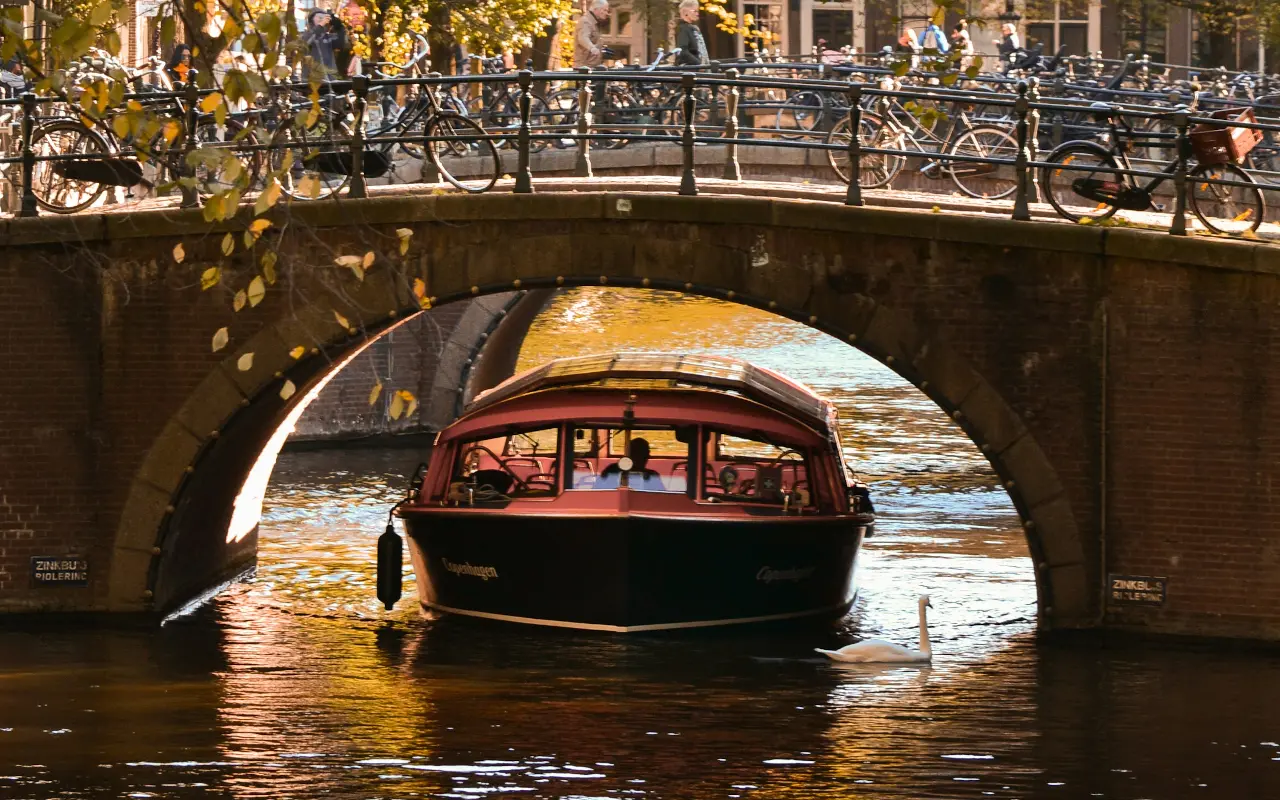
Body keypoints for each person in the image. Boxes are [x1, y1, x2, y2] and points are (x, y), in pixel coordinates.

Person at [595, 438, 666, 491]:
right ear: (628, 455)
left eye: (646, 455)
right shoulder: (612, 471)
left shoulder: (652, 476)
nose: (646, 458)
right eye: (640, 454)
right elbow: (598, 492)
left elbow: (661, 498)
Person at [301, 7, 351, 80]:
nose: (322, 19)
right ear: (312, 19)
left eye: (324, 18)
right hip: (312, 80)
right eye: (319, 17)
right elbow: (307, 42)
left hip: (330, 80)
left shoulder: (328, 36)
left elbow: (340, 45)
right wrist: (320, 25)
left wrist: (340, 28)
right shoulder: (306, 34)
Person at [574, 0, 610, 69]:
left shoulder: (595, 23)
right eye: (604, 10)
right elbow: (583, 38)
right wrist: (592, 48)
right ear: (596, 9)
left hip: (592, 67)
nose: (606, 13)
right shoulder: (585, 21)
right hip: (584, 68)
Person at [674, 0, 709, 67]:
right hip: (689, 70)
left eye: (697, 11)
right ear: (685, 12)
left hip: (697, 69)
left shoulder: (692, 28)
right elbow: (683, 51)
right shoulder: (683, 28)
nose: (697, 14)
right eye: (695, 11)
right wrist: (699, 64)